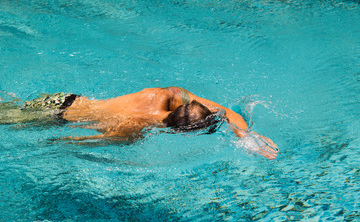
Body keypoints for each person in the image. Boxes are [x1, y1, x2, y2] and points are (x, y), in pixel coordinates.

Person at [0, 87, 278, 159]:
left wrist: (246, 135)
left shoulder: (170, 95)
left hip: (66, 98)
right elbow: (84, 141)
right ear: (182, 135)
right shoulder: (134, 129)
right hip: (55, 118)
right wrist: (59, 141)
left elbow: (226, 111)